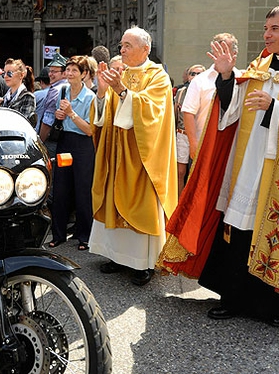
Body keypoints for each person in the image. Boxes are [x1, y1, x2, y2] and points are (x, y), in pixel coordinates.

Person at [158, 4, 279, 329]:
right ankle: (233, 297)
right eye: (265, 28)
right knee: (239, 232)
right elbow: (229, 112)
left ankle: (277, 305)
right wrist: (227, 76)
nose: (266, 35)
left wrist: (275, 108)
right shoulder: (258, 67)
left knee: (276, 231)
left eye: (274, 28)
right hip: (248, 164)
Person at [90, 26, 178, 287]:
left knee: (141, 204)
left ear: (146, 49)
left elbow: (153, 114)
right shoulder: (121, 73)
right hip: (117, 153)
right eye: (121, 45)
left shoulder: (158, 76)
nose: (122, 50)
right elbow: (106, 114)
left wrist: (122, 91)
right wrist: (103, 91)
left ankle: (143, 263)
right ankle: (116, 256)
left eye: (128, 45)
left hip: (142, 156)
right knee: (114, 201)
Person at [48, 56, 96, 251]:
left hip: (83, 145)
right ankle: (58, 234)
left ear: (84, 74)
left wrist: (70, 114)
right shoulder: (63, 91)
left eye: (74, 70)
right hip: (65, 141)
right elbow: (58, 117)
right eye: (67, 70)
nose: (69, 74)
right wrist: (59, 116)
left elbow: (90, 130)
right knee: (60, 189)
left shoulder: (90, 97)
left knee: (83, 190)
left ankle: (85, 236)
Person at [182, 34, 239, 161]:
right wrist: (193, 143)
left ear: (234, 52)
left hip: (232, 145)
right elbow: (188, 112)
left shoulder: (241, 78)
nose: (220, 54)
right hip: (204, 144)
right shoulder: (200, 80)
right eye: (217, 49)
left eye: (224, 49)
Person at [174, 64, 206, 194]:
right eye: (193, 73)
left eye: (199, 74)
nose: (196, 76)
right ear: (187, 76)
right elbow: (175, 114)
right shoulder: (181, 92)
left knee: (196, 171)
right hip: (182, 134)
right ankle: (178, 203)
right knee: (180, 172)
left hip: (199, 135)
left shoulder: (208, 91)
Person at [38, 53, 68, 157]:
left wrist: (40, 143)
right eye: (50, 71)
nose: (50, 74)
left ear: (64, 73)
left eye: (54, 71)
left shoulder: (55, 90)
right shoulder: (70, 86)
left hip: (53, 140)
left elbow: (48, 120)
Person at [0, 58, 36, 125]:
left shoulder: (28, 97)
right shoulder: (4, 98)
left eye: (9, 73)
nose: (5, 76)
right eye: (4, 73)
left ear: (21, 75)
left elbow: (22, 124)